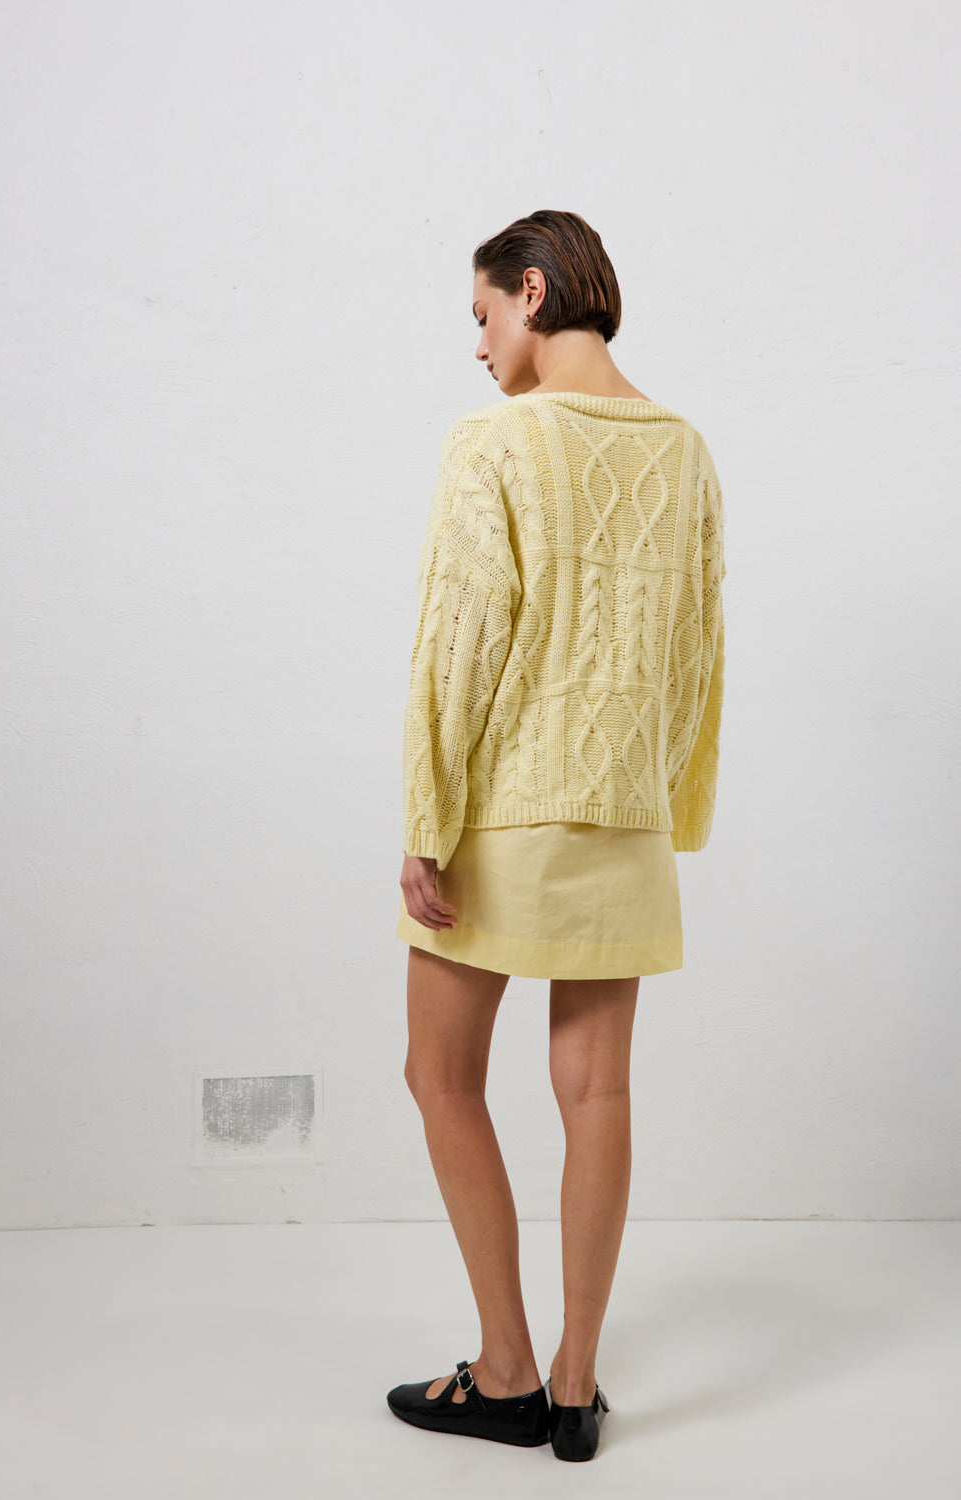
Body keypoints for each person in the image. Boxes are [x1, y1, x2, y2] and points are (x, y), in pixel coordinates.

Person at [386, 210, 726, 1462]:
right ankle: (576, 1387)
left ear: (531, 292)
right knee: (597, 1092)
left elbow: (458, 642)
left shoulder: (496, 441)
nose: (477, 346)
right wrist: (665, 807)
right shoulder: (684, 450)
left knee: (439, 1077)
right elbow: (697, 650)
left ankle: (506, 1370)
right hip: (622, 824)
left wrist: (426, 819)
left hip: (503, 819)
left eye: (482, 315)